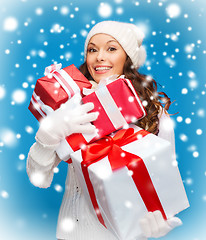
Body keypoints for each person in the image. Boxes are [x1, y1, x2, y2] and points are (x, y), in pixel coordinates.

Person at [27, 21, 183, 240]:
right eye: (93, 49)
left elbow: (164, 179)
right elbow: (38, 178)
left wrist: (160, 220)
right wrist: (48, 135)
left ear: (127, 57)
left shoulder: (153, 113)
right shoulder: (72, 105)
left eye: (111, 48)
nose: (99, 57)